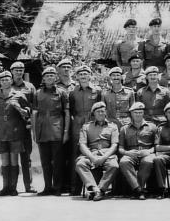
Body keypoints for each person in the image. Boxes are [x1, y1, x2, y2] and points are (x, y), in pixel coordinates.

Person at [0, 70, 31, 196]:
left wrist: (19, 108)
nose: (5, 82)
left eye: (7, 79)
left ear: (11, 81)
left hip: (15, 131)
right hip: (1, 132)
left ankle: (13, 188)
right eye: (2, 80)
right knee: (4, 161)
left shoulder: (19, 95)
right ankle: (5, 187)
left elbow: (27, 113)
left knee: (14, 160)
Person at [32, 66, 69, 195]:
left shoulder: (62, 92)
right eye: (47, 75)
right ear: (43, 78)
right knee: (45, 161)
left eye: (52, 75)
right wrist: (34, 132)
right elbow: (35, 114)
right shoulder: (37, 93)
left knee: (58, 161)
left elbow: (67, 113)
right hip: (42, 130)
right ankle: (47, 187)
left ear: (55, 77)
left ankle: (57, 187)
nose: (49, 77)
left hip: (57, 129)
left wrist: (66, 131)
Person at [68, 65, 103, 194]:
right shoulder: (73, 92)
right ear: (77, 77)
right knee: (76, 155)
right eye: (80, 74)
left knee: (95, 153)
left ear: (90, 76)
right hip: (77, 126)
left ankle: (96, 186)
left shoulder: (97, 90)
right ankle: (75, 188)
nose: (83, 77)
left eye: (85, 74)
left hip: (93, 125)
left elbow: (101, 108)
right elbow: (71, 110)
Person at [75, 101, 119, 201]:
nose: (100, 113)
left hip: (107, 154)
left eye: (102, 111)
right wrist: (92, 157)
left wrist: (103, 157)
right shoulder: (86, 127)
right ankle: (94, 189)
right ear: (93, 113)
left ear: (106, 112)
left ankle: (101, 190)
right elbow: (82, 145)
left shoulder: (113, 127)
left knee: (114, 166)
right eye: (98, 111)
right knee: (80, 164)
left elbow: (114, 145)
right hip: (91, 154)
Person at [118, 102, 158, 200]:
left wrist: (149, 151)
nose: (138, 115)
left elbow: (157, 146)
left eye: (140, 112)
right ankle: (138, 189)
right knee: (123, 162)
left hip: (147, 152)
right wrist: (127, 153)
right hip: (131, 153)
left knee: (148, 161)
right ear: (131, 114)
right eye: (136, 113)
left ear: (143, 113)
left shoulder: (152, 127)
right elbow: (120, 148)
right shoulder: (124, 129)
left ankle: (138, 189)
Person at [10, 61, 37, 193]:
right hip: (10, 126)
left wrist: (29, 115)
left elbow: (35, 106)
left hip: (25, 126)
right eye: (16, 70)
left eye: (21, 70)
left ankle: (29, 185)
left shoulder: (30, 87)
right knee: (11, 157)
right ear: (12, 71)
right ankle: (11, 186)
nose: (19, 72)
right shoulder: (7, 86)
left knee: (26, 157)